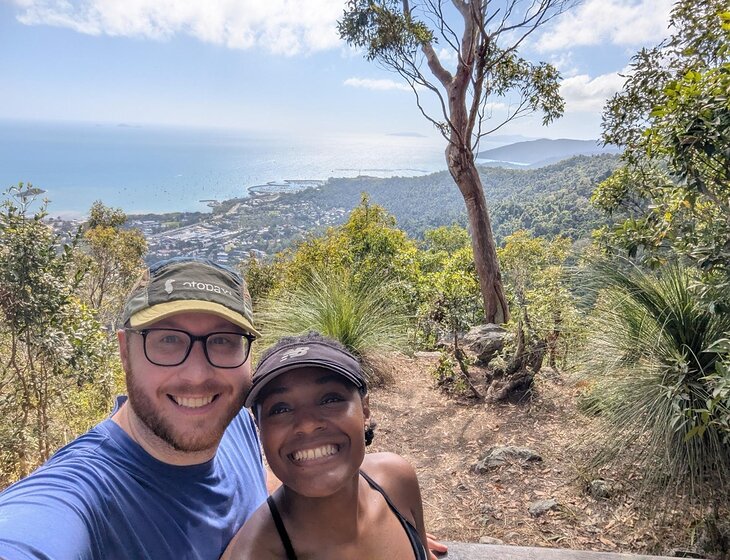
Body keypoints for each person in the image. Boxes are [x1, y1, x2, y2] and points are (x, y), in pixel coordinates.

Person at [0, 257, 268, 559]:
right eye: (168, 340)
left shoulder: (234, 420)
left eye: (223, 340)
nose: (197, 376)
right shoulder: (82, 492)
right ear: (125, 351)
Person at [222, 332, 435, 560]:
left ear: (365, 410)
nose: (308, 424)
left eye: (330, 399)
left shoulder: (397, 480)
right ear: (260, 428)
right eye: (280, 409)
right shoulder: (254, 554)